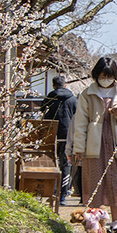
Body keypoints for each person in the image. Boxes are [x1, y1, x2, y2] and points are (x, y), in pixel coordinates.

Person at [70, 58, 117, 233]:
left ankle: (116, 222)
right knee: (94, 182)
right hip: (94, 143)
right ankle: (95, 222)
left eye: (109, 76)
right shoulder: (87, 94)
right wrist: (79, 148)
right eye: (102, 76)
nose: (105, 79)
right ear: (96, 75)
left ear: (115, 76)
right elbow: (80, 123)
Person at [41, 75, 77, 204]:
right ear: (65, 85)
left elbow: (42, 113)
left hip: (51, 134)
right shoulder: (73, 99)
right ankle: (63, 195)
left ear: (53, 85)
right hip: (68, 135)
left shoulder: (49, 98)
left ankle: (50, 192)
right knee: (66, 164)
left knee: (51, 163)